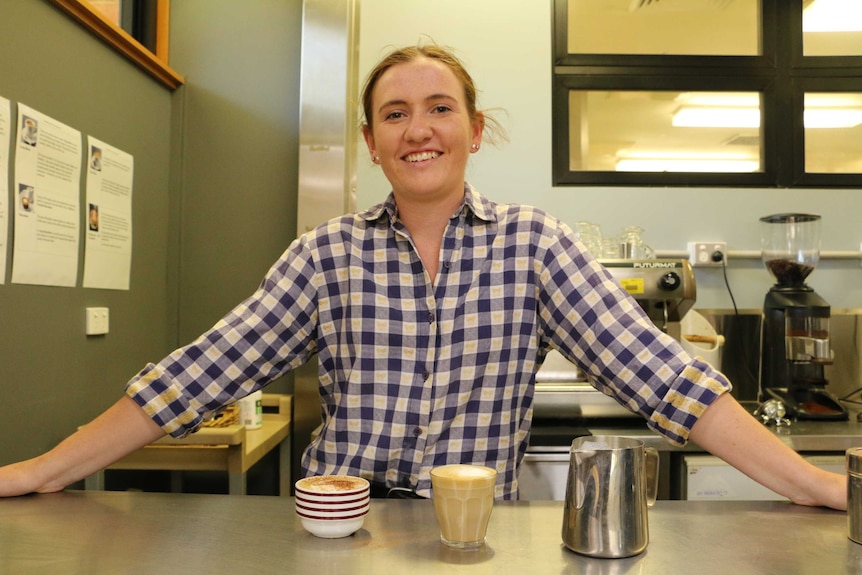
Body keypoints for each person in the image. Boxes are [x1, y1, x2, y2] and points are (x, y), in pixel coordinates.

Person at [0, 45, 847, 509]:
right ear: (372, 142)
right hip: (337, 526)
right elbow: (195, 376)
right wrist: (44, 469)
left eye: (439, 108)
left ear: (475, 129)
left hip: (477, 537)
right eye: (395, 114)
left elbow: (669, 381)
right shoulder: (325, 254)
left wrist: (817, 483)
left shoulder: (537, 247)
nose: (419, 130)